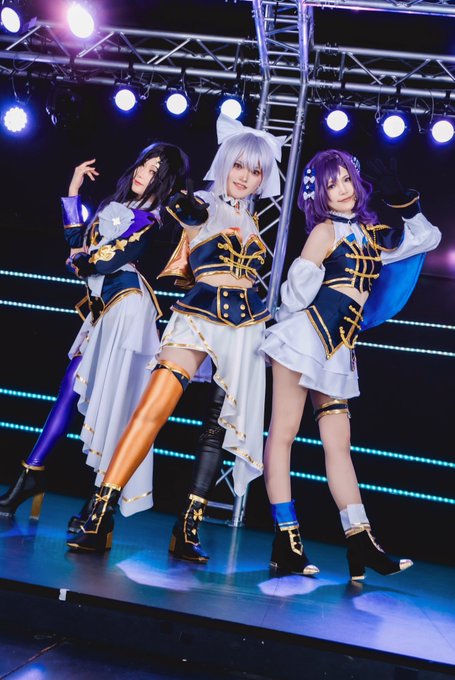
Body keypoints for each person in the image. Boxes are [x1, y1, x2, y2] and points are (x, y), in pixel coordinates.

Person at [67, 112, 286, 553]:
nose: (244, 177)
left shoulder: (254, 222)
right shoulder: (203, 202)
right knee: (152, 409)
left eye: (255, 170)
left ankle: (188, 527)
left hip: (245, 327)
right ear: (225, 163)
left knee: (216, 429)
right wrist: (185, 206)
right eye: (238, 165)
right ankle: (100, 513)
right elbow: (185, 212)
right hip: (199, 316)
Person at [259, 150, 441, 579]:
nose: (341, 189)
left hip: (339, 350)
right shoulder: (324, 231)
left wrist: (404, 203)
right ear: (318, 193)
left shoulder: (370, 235)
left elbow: (427, 238)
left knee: (338, 444)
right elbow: (295, 298)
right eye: (331, 183)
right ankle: (287, 539)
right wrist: (313, 258)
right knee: (283, 434)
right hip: (303, 340)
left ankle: (361, 541)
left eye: (346, 180)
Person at [0, 142, 189, 526]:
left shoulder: (149, 220)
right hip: (104, 314)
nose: (143, 173)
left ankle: (98, 502)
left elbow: (104, 258)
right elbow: (79, 246)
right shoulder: (116, 207)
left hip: (127, 313)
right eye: (144, 164)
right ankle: (31, 475)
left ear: (166, 182)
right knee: (70, 389)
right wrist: (73, 191)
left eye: (154, 171)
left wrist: (82, 261)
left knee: (114, 404)